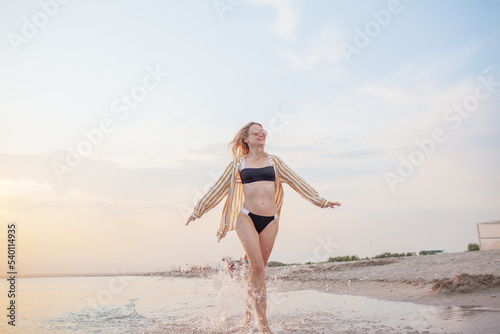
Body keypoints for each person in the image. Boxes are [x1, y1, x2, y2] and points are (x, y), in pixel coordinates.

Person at [186, 122, 340, 333]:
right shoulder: (237, 165)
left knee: (257, 271)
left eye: (263, 132)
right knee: (257, 267)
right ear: (246, 139)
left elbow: (297, 181)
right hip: (246, 217)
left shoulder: (274, 162)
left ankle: (248, 316)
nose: (261, 134)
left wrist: (321, 201)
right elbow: (218, 188)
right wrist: (198, 210)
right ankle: (264, 325)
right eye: (256, 132)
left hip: (271, 219)